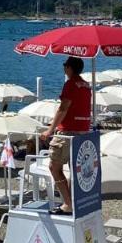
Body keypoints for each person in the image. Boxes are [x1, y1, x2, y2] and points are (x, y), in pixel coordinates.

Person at [39, 56, 92, 215]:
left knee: (54, 167)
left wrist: (50, 130)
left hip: (68, 131)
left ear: (69, 68)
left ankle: (68, 204)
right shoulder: (86, 85)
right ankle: (72, 202)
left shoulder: (70, 84)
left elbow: (63, 108)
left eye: (65, 65)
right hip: (83, 131)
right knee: (75, 169)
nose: (64, 68)